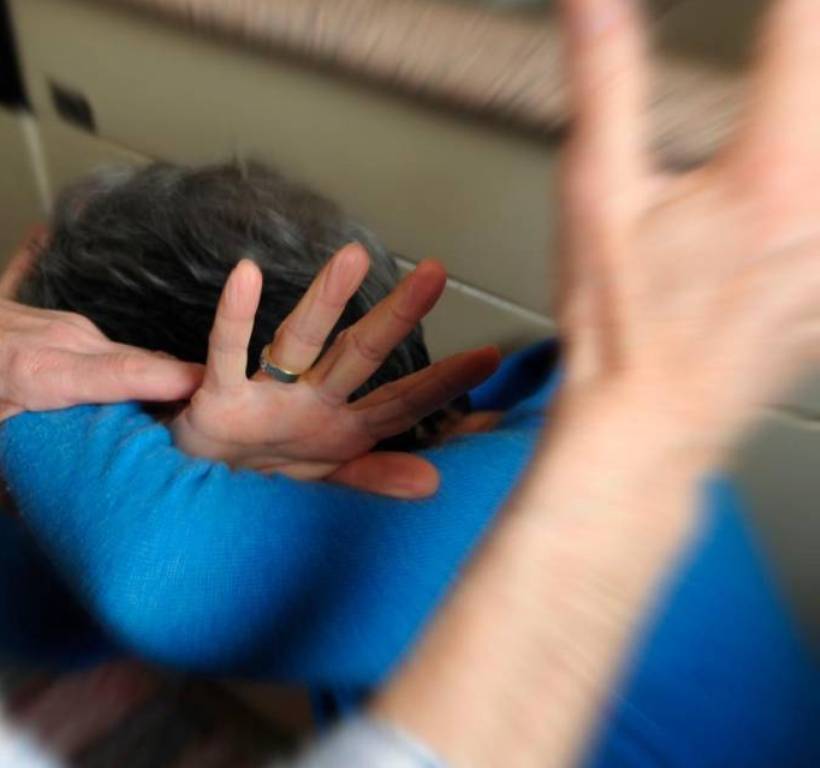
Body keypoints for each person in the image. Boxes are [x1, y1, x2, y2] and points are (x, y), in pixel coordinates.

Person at [2, 0, 820, 766]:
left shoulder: (485, 502)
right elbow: (58, 607)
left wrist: (23, 376)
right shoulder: (521, 399)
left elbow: (151, 584)